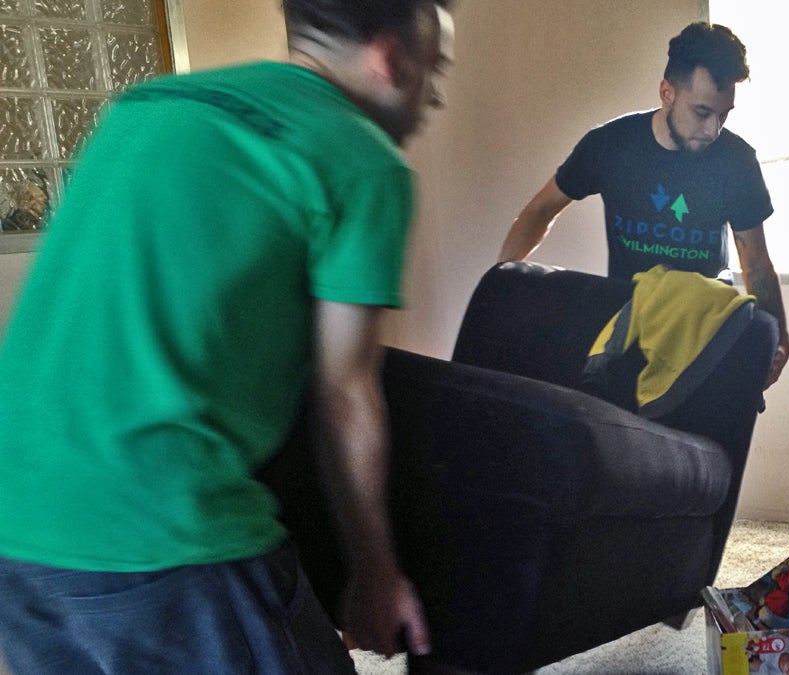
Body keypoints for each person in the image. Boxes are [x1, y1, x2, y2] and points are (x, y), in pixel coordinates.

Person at [0, 1, 453, 672]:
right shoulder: (362, 160)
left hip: (17, 517)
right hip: (161, 528)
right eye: (434, 69)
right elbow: (346, 392)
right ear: (391, 57)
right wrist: (377, 574)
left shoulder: (148, 104)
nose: (435, 93)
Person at [497, 21, 789, 388]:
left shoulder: (736, 161)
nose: (713, 130)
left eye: (724, 114)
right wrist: (502, 280)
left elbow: (757, 265)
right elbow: (541, 210)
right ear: (667, 92)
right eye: (702, 113)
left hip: (704, 330)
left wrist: (776, 334)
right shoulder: (609, 146)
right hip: (627, 326)